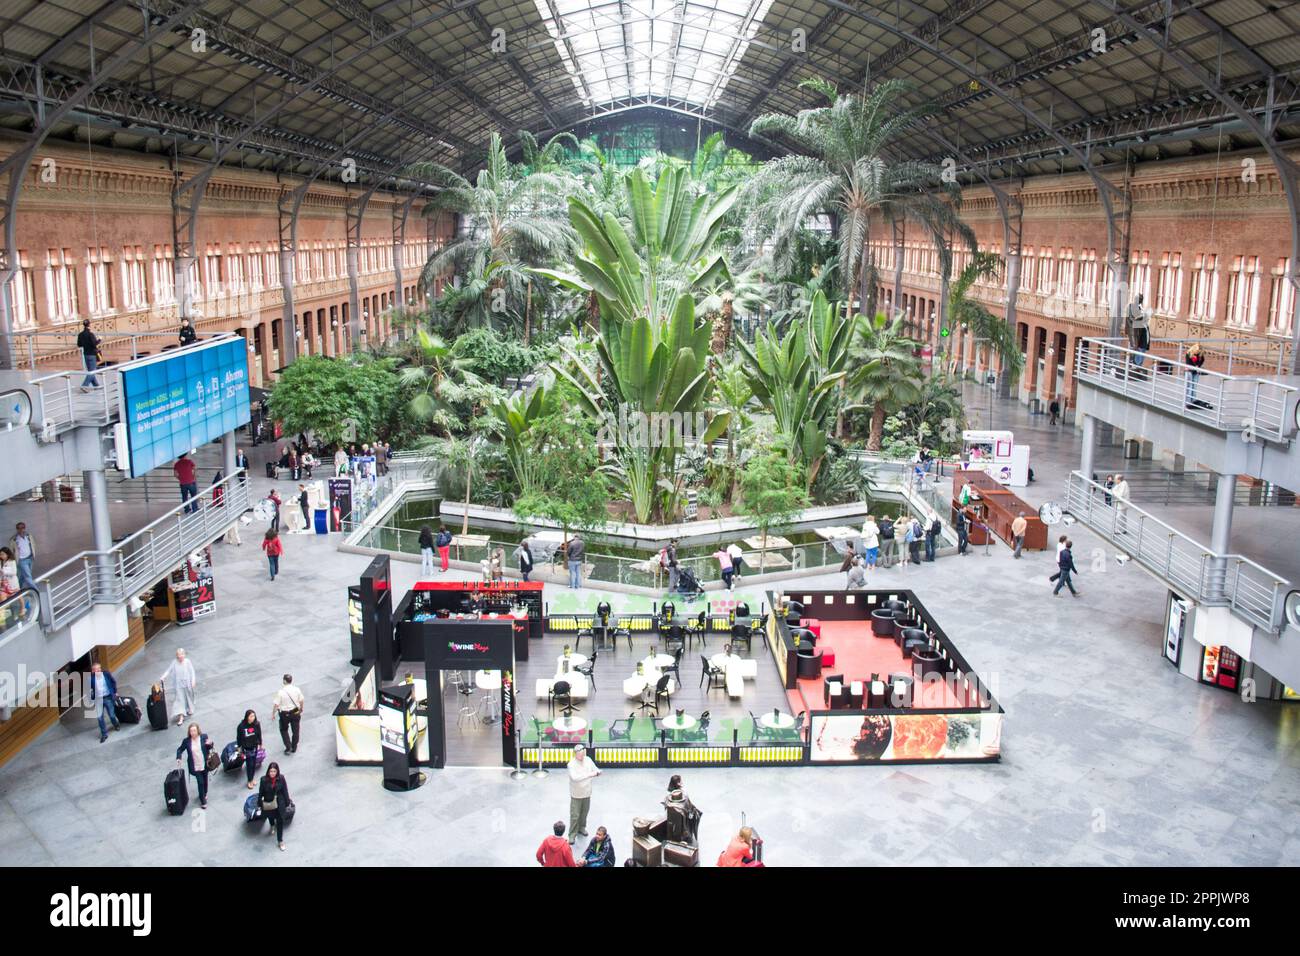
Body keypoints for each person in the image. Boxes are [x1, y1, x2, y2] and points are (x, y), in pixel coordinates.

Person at [566, 744, 600, 843]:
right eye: (579, 755)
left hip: (587, 792)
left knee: (584, 812)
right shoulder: (571, 764)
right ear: (575, 754)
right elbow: (575, 778)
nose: (581, 757)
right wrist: (590, 774)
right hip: (576, 794)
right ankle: (572, 834)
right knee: (575, 815)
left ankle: (582, 828)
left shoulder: (588, 760)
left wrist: (597, 772)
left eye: (582, 754)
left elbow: (595, 768)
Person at [174, 722, 213, 809]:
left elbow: (209, 747)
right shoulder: (187, 741)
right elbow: (180, 749)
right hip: (195, 765)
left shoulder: (204, 737)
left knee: (205, 780)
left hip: (205, 764)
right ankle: (203, 800)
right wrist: (178, 758)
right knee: (200, 782)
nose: (193, 733)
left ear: (198, 730)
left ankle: (205, 793)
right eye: (191, 731)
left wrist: (210, 743)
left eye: (194, 730)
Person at [159, 648, 197, 725]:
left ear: (184, 655)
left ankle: (189, 708)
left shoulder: (187, 662)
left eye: (182, 655)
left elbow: (192, 671)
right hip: (178, 686)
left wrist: (193, 680)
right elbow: (169, 670)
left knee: (188, 697)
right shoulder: (174, 663)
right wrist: (163, 677)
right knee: (180, 701)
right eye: (179, 655)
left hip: (187, 684)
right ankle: (181, 717)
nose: (180, 657)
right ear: (177, 656)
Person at [259, 761, 291, 851]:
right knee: (270, 816)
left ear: (277, 772)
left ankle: (280, 840)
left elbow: (285, 790)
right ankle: (272, 825)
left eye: (274, 771)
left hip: (279, 803)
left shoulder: (281, 778)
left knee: (280, 821)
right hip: (268, 802)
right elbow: (261, 793)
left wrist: (287, 801)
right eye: (271, 771)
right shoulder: (263, 780)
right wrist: (259, 803)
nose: (272, 773)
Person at [87, 662, 120, 743]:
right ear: (92, 671)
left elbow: (113, 682)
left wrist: (115, 692)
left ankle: (116, 724)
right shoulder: (90, 679)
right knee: (99, 718)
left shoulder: (106, 674)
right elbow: (89, 690)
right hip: (98, 700)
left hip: (108, 697)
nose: (98, 670)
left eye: (99, 668)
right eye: (95, 669)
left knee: (112, 715)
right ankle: (104, 734)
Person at [272, 673, 304, 754]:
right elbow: (301, 700)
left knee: (283, 729)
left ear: (284, 681)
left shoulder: (281, 692)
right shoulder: (297, 689)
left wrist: (273, 714)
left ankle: (288, 746)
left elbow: (276, 704)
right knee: (296, 731)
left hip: (284, 714)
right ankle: (294, 747)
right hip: (295, 712)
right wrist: (301, 708)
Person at [236, 709, 262, 789]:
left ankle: (252, 778)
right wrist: (240, 750)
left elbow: (259, 734)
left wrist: (260, 743)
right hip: (246, 748)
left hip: (254, 746)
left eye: (254, 716)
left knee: (254, 764)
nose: (253, 718)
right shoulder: (241, 726)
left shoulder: (256, 724)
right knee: (249, 764)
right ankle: (249, 780)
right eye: (251, 716)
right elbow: (239, 739)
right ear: (247, 717)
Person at [1126, 293, 1150, 365]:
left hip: (1142, 334)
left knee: (1141, 351)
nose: (1140, 301)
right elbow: (1131, 319)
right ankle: (1135, 365)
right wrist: (1141, 317)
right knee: (1136, 351)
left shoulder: (1140, 308)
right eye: (1139, 299)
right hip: (1136, 334)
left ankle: (1138, 365)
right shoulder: (1131, 307)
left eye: (1141, 299)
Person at [77, 319, 100, 390]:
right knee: (92, 371)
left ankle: (96, 385)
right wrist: (100, 340)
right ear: (89, 325)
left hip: (86, 354)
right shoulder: (91, 334)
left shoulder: (80, 334)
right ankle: (84, 385)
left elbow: (79, 344)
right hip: (92, 354)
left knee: (91, 371)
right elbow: (94, 344)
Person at [1185, 342, 1206, 407]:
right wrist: (1195, 367)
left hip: (1196, 372)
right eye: (1197, 351)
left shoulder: (1200, 354)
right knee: (1190, 386)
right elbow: (1188, 362)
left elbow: (1202, 360)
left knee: (1194, 386)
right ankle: (1188, 401)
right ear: (1194, 349)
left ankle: (1193, 400)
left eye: (1199, 351)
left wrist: (1198, 366)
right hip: (1190, 371)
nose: (1197, 352)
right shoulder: (1188, 353)